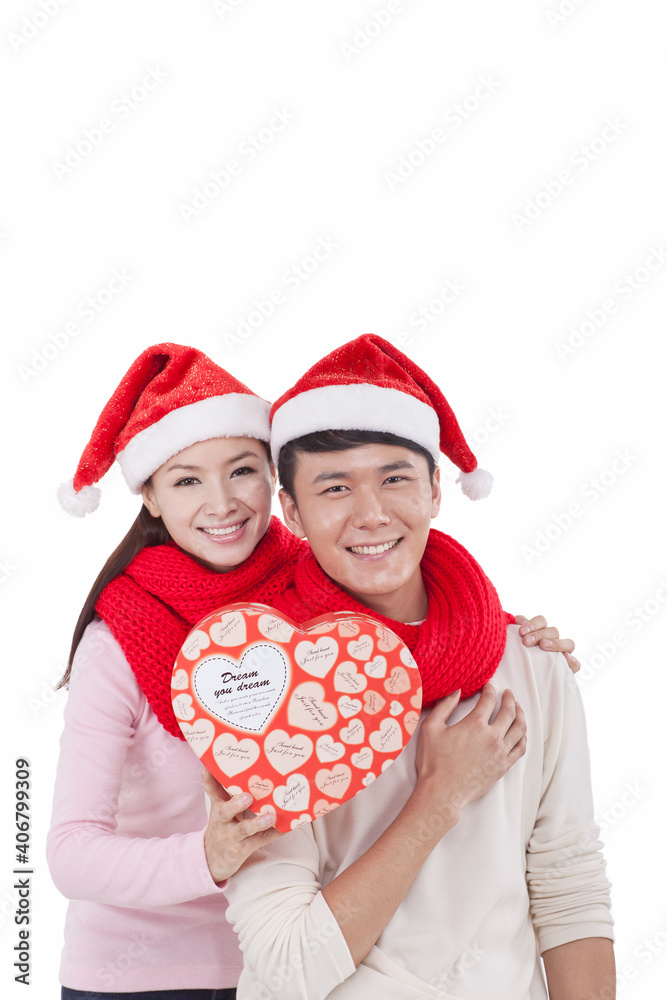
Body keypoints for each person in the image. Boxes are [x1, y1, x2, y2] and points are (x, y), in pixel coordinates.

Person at [47, 340, 579, 1000]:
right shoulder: (118, 640)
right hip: (147, 974)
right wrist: (209, 854)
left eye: (241, 471)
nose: (222, 503)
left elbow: (394, 587)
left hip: (304, 959)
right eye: (186, 479)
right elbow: (69, 852)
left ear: (275, 490)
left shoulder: (314, 612)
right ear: (149, 498)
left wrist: (503, 637)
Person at [222, 335, 615, 999]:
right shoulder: (254, 687)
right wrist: (440, 794)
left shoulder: (530, 663)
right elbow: (287, 968)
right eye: (335, 487)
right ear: (291, 512)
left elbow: (566, 885)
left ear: (436, 488)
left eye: (395, 478)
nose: (371, 514)